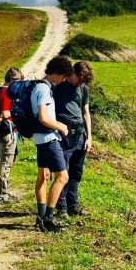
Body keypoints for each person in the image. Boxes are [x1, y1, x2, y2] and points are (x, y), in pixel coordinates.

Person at [31, 56, 74, 232]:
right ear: (57, 73)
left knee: (44, 176)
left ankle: (41, 217)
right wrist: (61, 127)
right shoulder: (44, 89)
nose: (63, 80)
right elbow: (43, 117)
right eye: (63, 76)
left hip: (39, 138)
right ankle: (48, 218)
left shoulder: (37, 86)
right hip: (48, 139)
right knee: (63, 177)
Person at [54, 60, 94, 218]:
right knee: (64, 171)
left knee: (76, 172)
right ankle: (61, 206)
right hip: (64, 135)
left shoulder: (83, 88)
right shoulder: (57, 88)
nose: (80, 83)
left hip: (80, 135)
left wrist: (89, 137)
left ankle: (73, 205)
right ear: (72, 73)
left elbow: (86, 113)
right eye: (80, 79)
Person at [0, 67, 22, 203]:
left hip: (2, 130)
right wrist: (18, 110)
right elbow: (5, 113)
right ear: (13, 80)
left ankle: (3, 193)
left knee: (5, 162)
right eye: (19, 81)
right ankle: (2, 195)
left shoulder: (0, 90)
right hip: (7, 131)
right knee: (6, 164)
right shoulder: (6, 92)